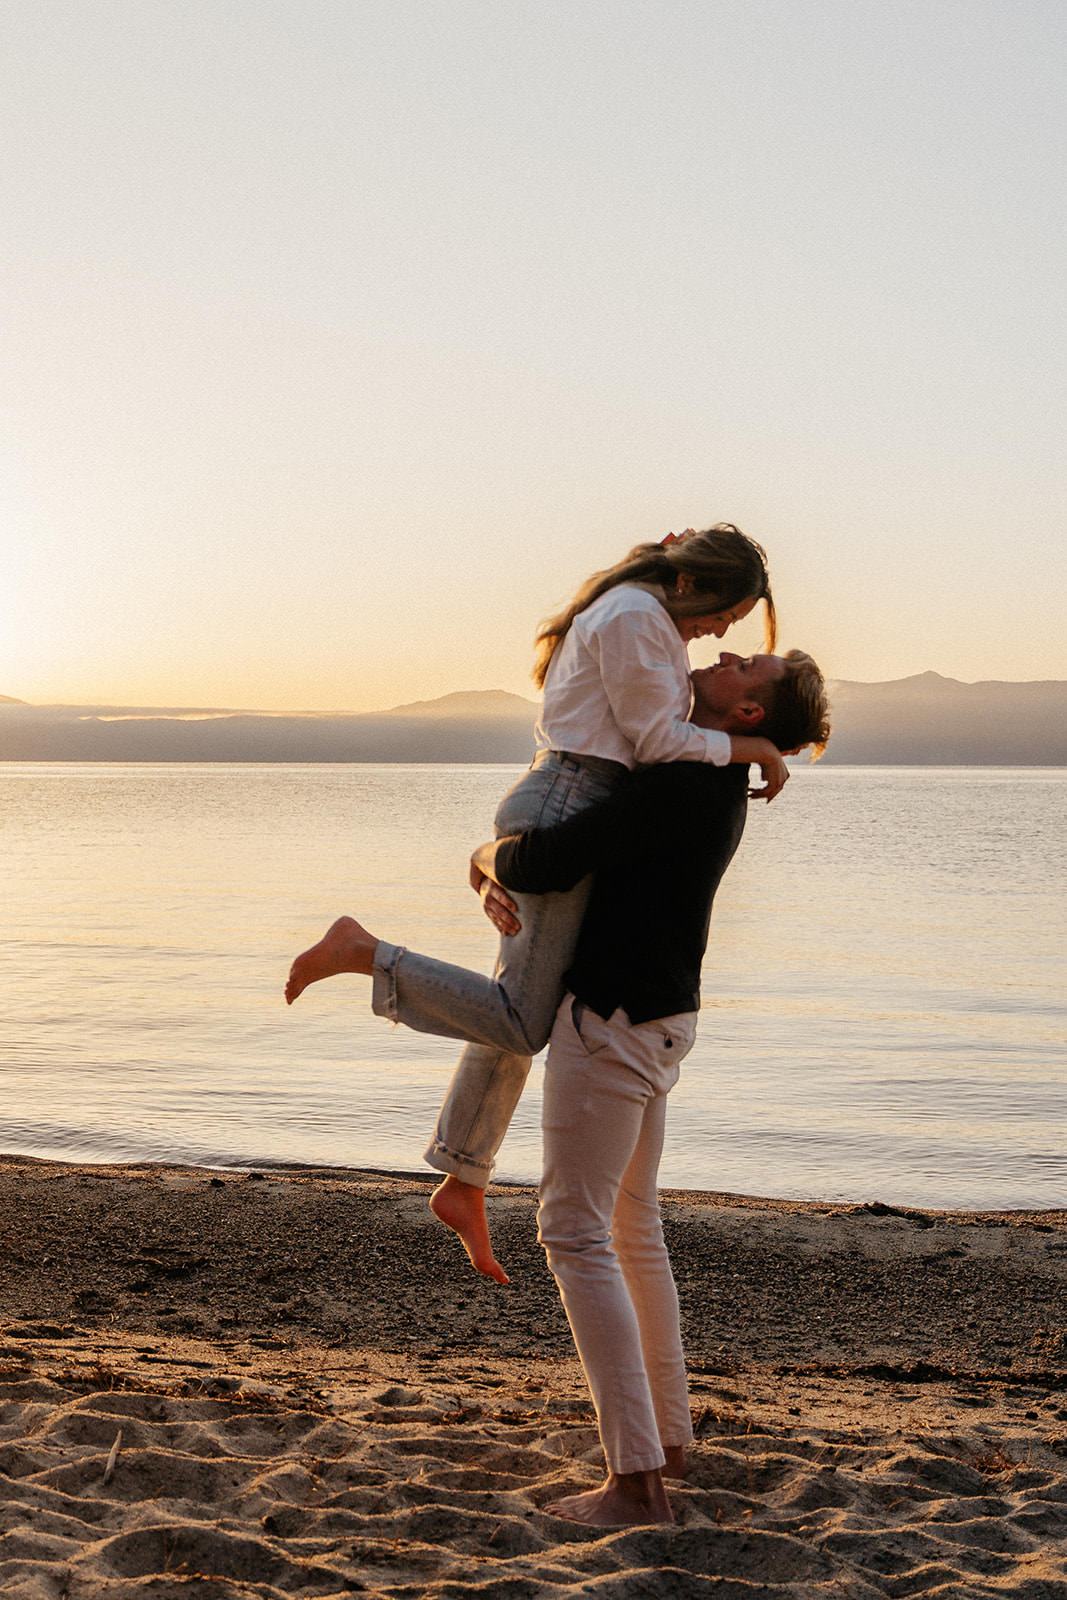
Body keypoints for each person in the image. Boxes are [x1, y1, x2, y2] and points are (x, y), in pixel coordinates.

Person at [287, 649, 831, 1526]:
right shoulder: (714, 779)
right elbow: (556, 858)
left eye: (745, 667)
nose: (723, 655)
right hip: (663, 1020)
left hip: (612, 1024)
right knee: (632, 1229)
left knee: (574, 1235)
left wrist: (483, 853)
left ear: (745, 715)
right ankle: (668, 1442)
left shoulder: (679, 785)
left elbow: (543, 862)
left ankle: (635, 1485)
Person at [288, 524, 785, 1282]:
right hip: (568, 796)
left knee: (523, 1004)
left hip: (568, 793)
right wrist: (745, 749)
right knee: (522, 1018)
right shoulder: (634, 618)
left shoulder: (644, 616)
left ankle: (463, 1176)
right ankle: (365, 953)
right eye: (726, 612)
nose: (720, 633)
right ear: (692, 585)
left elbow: (650, 726)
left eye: (735, 631)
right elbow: (655, 740)